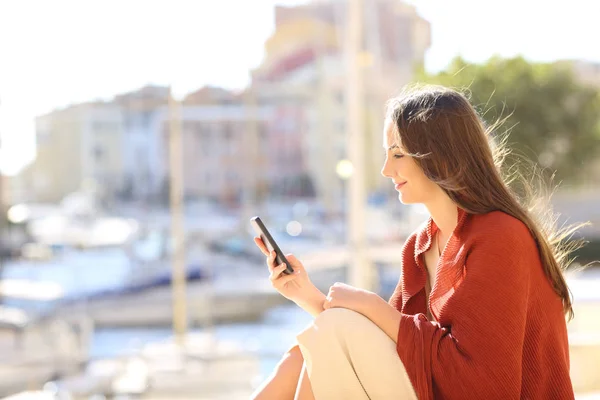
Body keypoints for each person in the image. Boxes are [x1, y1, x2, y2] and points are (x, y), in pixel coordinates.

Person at [250, 85, 578, 400]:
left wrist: (370, 305)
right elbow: (387, 337)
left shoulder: (500, 235)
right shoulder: (420, 245)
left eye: (398, 154)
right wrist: (305, 294)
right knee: (310, 347)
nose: (386, 169)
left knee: (330, 331)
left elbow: (485, 387)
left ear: (441, 156)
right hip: (435, 387)